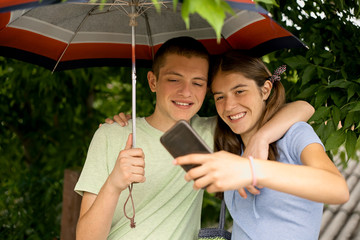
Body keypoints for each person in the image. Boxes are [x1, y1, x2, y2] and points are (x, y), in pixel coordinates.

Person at [75, 36, 314, 240]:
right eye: (174, 79)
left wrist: (262, 138)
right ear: (152, 81)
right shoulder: (112, 135)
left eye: (197, 83)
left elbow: (303, 108)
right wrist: (115, 183)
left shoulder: (214, 132)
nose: (186, 92)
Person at [174, 51, 349, 240]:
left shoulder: (294, 135)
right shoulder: (229, 144)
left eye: (239, 91)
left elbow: (338, 189)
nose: (229, 106)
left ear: (265, 90)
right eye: (220, 97)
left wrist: (254, 167)